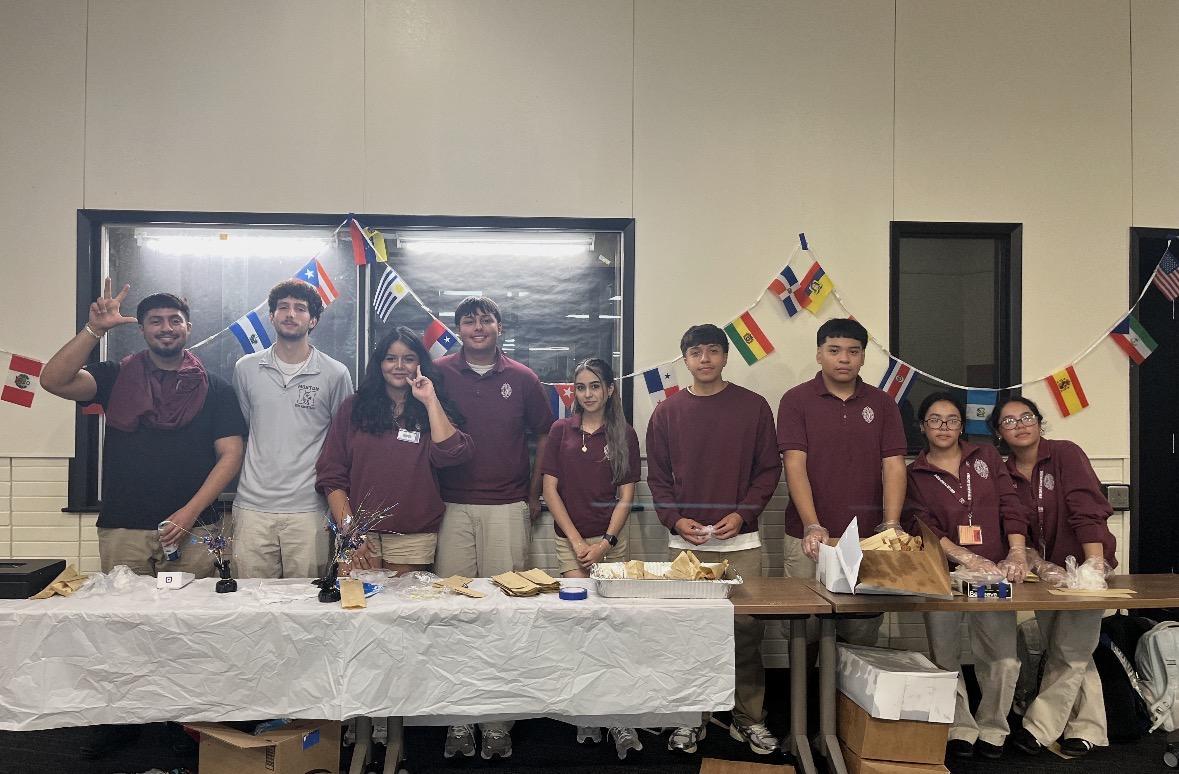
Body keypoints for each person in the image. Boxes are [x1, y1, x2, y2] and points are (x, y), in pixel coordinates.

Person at [39, 279, 246, 759]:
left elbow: (231, 456)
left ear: (188, 328)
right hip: (125, 526)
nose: (166, 328)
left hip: (196, 532)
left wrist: (188, 513)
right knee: (121, 626)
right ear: (143, 329)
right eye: (156, 321)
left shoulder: (215, 388)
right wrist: (93, 329)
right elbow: (52, 380)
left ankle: (187, 720)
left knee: (190, 628)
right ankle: (123, 720)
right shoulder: (115, 377)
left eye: (175, 320)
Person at [646, 324, 782, 756]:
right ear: (685, 360)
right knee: (688, 634)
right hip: (686, 546)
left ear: (725, 356)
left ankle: (749, 718)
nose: (704, 359)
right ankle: (691, 718)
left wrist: (743, 514)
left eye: (712, 351)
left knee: (746, 633)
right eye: (695, 352)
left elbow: (768, 470)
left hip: (742, 543)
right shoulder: (666, 412)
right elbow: (658, 478)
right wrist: (674, 519)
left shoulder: (753, 407)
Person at [432, 296, 554, 760]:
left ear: (499, 327)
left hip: (507, 506)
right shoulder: (438, 373)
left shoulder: (523, 379)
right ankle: (459, 717)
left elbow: (545, 433)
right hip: (450, 508)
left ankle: (498, 721)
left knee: (506, 613)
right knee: (454, 612)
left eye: (486, 320)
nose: (478, 327)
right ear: (458, 329)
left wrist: (534, 491)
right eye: (469, 321)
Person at [903, 392, 1032, 760]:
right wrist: (963, 556)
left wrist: (1017, 551)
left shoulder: (986, 456)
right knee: (945, 655)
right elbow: (921, 524)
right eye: (935, 420)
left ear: (962, 425)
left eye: (952, 420)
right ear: (923, 426)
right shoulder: (915, 473)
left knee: (1002, 657)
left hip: (992, 573)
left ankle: (993, 726)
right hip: (941, 575)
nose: (944, 427)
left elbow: (1010, 504)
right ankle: (959, 726)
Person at [992, 397, 1116, 759]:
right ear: (998, 433)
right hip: (1046, 576)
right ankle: (1088, 729)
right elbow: (1014, 523)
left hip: (1087, 569)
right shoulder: (1005, 472)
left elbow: (1086, 508)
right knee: (1066, 649)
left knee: (1071, 650)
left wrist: (1094, 566)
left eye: (1026, 417)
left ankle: (1038, 728)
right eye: (1009, 421)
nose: (1019, 425)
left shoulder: (1065, 453)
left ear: (1039, 421)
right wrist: (1034, 562)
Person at [776, 317, 906, 645]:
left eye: (853, 351)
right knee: (803, 631)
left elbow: (893, 465)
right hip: (807, 537)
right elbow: (794, 464)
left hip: (867, 538)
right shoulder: (795, 400)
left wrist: (891, 524)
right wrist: (812, 524)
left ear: (862, 357)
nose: (844, 358)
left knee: (860, 633)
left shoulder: (882, 403)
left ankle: (847, 684)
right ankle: (802, 683)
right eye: (834, 350)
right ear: (819, 354)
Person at [541, 357, 641, 759]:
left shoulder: (624, 433)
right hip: (570, 540)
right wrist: (577, 541)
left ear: (610, 390)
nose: (588, 394)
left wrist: (604, 544)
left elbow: (627, 495)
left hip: (611, 541)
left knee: (613, 627)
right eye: (581, 387)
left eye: (595, 386)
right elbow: (550, 490)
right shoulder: (559, 430)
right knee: (581, 626)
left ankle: (617, 714)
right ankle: (585, 711)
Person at [316, 327, 472, 573]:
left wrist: (430, 400)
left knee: (406, 600)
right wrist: (350, 531)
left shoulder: (432, 408)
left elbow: (452, 453)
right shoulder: (354, 408)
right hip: (356, 532)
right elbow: (331, 474)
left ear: (420, 364)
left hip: (412, 536)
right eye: (391, 358)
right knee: (354, 597)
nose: (399, 366)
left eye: (408, 359)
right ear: (380, 364)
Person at [232, 279, 353, 579]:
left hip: (310, 510)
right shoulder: (245, 368)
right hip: (252, 508)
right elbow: (245, 429)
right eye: (283, 307)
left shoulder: (335, 373)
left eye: (300, 308)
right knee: (250, 600)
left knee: (309, 600)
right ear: (271, 316)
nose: (290, 314)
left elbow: (342, 441)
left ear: (313, 320)